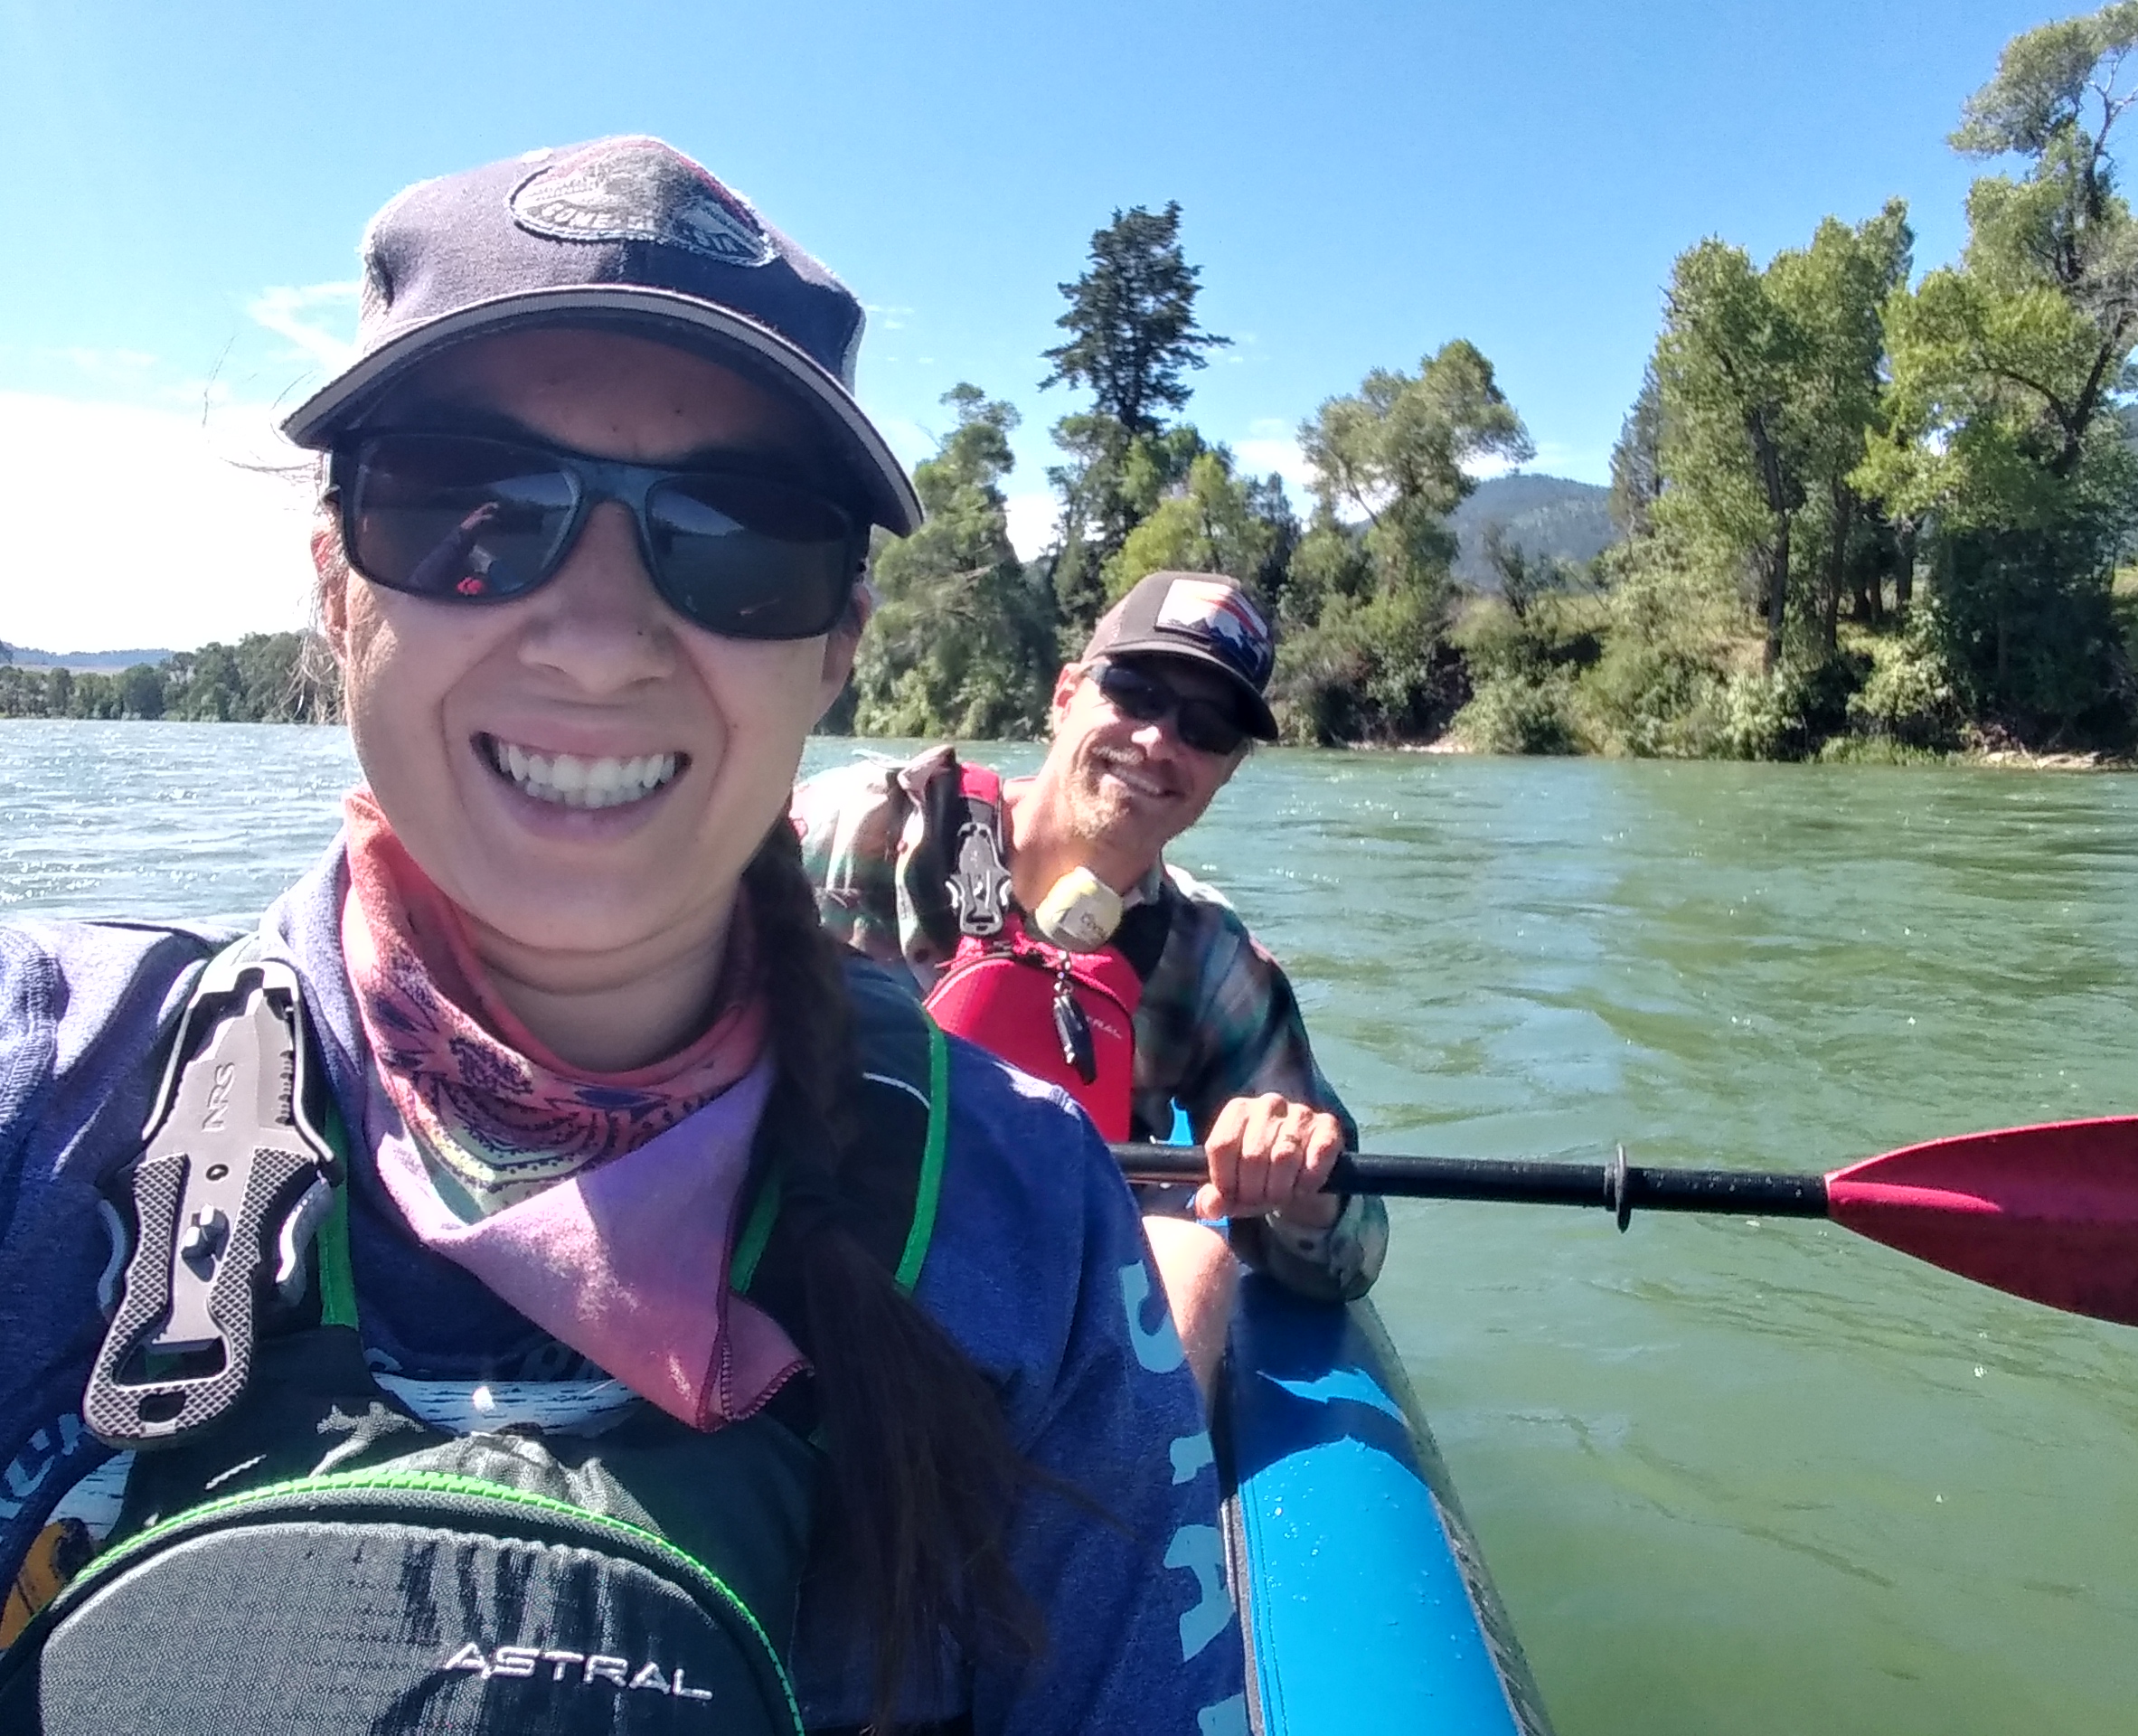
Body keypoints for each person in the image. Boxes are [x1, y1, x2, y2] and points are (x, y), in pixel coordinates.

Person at [0, 137, 1246, 1736]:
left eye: (739, 537)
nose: (597, 641)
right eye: (470, 502)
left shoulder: (1037, 1204)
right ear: (335, 580)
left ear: (839, 649)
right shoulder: (48, 1088)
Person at [796, 571, 1389, 1395]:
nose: (1157, 741)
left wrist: (1301, 1178)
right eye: (1135, 691)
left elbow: (1355, 1247)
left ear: (1229, 769)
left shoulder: (1211, 964)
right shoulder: (849, 829)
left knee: (1193, 1253)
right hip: (806, 1259)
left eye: (1207, 726)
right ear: (1066, 694)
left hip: (1036, 1319)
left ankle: (1095, 1505)